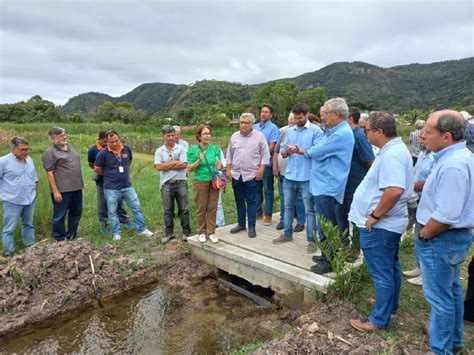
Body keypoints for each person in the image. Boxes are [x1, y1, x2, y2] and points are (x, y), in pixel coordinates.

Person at [349, 111, 414, 332]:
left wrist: (375, 215)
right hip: (387, 223)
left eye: (366, 129)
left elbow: (394, 190)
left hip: (381, 225)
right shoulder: (394, 149)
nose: (364, 133)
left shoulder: (393, 154)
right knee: (390, 266)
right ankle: (389, 306)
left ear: (379, 131)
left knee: (381, 271)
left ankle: (378, 319)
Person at [415, 110, 473, 354]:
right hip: (450, 239)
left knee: (439, 298)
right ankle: (454, 340)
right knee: (451, 290)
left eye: (428, 131)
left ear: (446, 136)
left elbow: (447, 215)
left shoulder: (453, 166)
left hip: (441, 238)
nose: (422, 135)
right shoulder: (457, 157)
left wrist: (425, 234)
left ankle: (440, 349)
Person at [307, 98, 355, 274]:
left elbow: (314, 151)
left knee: (327, 224)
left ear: (336, 114)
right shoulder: (332, 131)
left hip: (328, 185)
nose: (324, 117)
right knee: (324, 222)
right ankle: (326, 254)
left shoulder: (339, 134)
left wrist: (315, 151)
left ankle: (329, 261)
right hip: (324, 184)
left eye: (327, 113)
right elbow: (318, 149)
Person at [272, 103, 323, 254]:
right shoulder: (290, 131)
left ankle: (311, 241)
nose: (297, 120)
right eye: (295, 117)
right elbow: (281, 151)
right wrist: (288, 152)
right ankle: (287, 234)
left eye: (300, 117)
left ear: (307, 114)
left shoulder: (316, 131)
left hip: (307, 176)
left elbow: (316, 152)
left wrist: (299, 151)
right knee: (287, 206)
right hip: (290, 175)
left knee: (310, 210)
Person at [94, 130, 153, 240]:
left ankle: (142, 229)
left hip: (127, 186)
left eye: (117, 141)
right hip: (111, 188)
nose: (115, 144)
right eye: (111, 142)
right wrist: (109, 174)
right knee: (112, 212)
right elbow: (97, 168)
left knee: (136, 207)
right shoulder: (103, 153)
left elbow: (129, 161)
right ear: (107, 142)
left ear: (120, 138)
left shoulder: (126, 149)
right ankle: (117, 233)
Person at [336, 107, 374, 256]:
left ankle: (355, 249)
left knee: (355, 218)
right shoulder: (346, 135)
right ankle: (343, 244)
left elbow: (370, 160)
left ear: (350, 119)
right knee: (341, 214)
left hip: (355, 184)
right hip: (343, 184)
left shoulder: (358, 136)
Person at [226, 113, 270, 238]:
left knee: (252, 201)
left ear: (252, 124)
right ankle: (241, 224)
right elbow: (229, 154)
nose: (243, 125)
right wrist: (228, 169)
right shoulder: (234, 136)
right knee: (239, 200)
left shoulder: (259, 137)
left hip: (252, 175)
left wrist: (261, 171)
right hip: (237, 175)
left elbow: (265, 155)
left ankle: (251, 226)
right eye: (241, 122)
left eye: (246, 122)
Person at [403, 135, 435, 286]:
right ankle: (419, 267)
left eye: (425, 137)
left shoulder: (435, 156)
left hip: (426, 200)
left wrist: (411, 187)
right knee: (418, 234)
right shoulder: (423, 154)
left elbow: (430, 181)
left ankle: (426, 273)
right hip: (417, 199)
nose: (421, 139)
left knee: (426, 237)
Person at [42, 127, 84, 241]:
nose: (64, 137)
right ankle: (59, 238)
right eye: (61, 135)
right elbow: (50, 173)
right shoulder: (50, 153)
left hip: (76, 187)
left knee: (76, 211)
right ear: (53, 137)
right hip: (62, 190)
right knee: (60, 215)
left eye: (64, 134)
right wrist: (55, 191)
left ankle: (72, 234)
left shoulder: (71, 147)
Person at [88, 131, 131, 235]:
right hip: (102, 181)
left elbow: (128, 161)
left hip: (117, 181)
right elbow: (92, 164)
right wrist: (106, 173)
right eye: (106, 141)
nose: (109, 143)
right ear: (101, 139)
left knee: (120, 201)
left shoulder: (119, 148)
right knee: (102, 203)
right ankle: (104, 224)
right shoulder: (93, 150)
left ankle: (124, 221)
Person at [0, 137, 38, 256]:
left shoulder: (29, 160)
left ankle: (31, 249)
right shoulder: (3, 162)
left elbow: (34, 178)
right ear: (13, 149)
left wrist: (35, 193)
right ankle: (9, 254)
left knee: (28, 225)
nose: (25, 152)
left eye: (27, 149)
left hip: (30, 199)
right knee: (9, 229)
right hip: (12, 201)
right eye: (22, 150)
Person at [154, 125, 191, 243]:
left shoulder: (181, 148)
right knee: (168, 210)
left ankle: (186, 232)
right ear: (163, 136)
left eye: (172, 135)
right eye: (168, 135)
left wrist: (167, 165)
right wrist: (175, 162)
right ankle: (169, 233)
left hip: (181, 181)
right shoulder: (159, 151)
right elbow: (158, 167)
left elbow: (184, 164)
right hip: (166, 183)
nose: (170, 138)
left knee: (184, 209)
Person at [187, 125, 222, 243]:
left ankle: (211, 232)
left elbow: (219, 164)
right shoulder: (193, 150)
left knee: (212, 207)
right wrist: (199, 160)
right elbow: (190, 168)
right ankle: (201, 231)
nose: (208, 136)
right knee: (201, 207)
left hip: (213, 181)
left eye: (209, 133)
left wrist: (219, 165)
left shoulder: (215, 148)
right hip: (200, 181)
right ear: (199, 136)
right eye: (205, 134)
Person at [273, 113, 305, 233]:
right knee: (283, 198)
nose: (292, 124)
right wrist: (275, 167)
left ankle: (301, 221)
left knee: (298, 198)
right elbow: (276, 152)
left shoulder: (303, 135)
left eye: (294, 122)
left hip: (297, 174)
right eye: (290, 122)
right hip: (283, 173)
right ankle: (283, 220)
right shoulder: (283, 133)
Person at [253, 104, 279, 225]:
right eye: (262, 111)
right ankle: (258, 211)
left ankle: (268, 214)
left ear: (271, 115)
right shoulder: (254, 127)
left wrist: (259, 158)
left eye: (266, 112)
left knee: (268, 190)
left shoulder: (273, 128)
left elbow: (271, 147)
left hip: (266, 164)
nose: (263, 114)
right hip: (254, 164)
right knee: (256, 189)